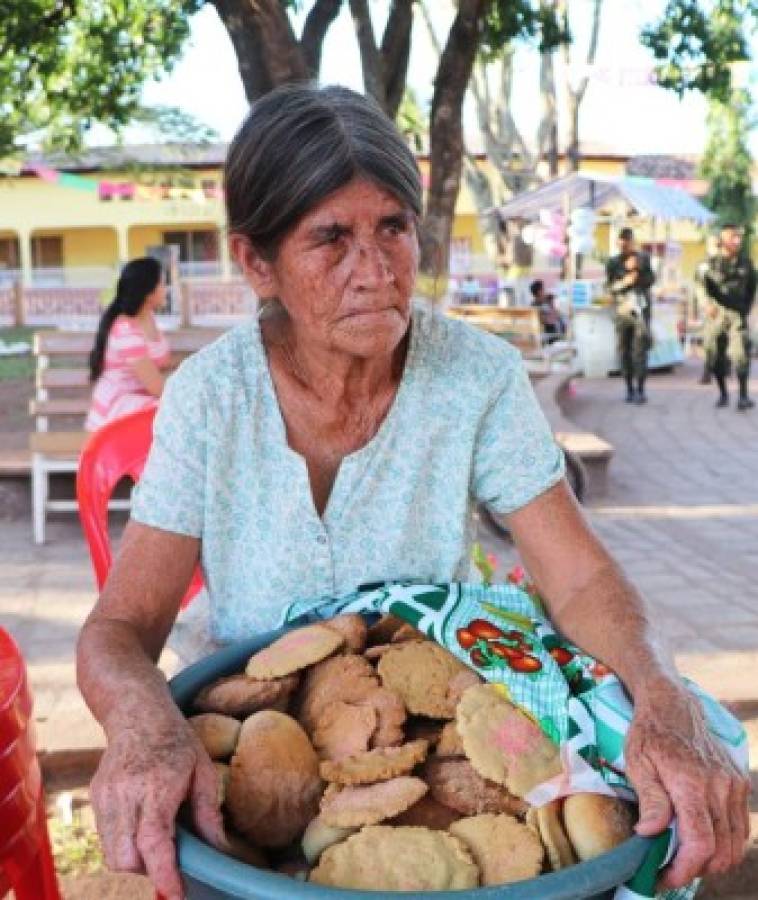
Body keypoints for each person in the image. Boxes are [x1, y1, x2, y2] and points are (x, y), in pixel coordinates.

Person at [76, 85, 749, 900]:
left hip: (438, 728)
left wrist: (660, 696)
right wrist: (144, 726)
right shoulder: (210, 397)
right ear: (257, 262)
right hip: (256, 742)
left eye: (393, 227)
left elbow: (578, 577)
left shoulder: (476, 376)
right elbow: (121, 627)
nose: (376, 271)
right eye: (331, 239)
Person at [85, 257, 170, 430]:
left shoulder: (148, 318)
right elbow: (157, 388)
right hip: (118, 412)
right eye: (162, 284)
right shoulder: (125, 330)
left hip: (142, 406)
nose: (165, 290)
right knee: (174, 415)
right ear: (148, 292)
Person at [703, 223, 756, 410]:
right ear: (722, 240)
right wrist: (706, 303)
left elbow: (752, 287)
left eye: (738, 237)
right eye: (733, 237)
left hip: (737, 315)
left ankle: (743, 396)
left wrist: (745, 309)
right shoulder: (710, 263)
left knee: (741, 354)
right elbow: (701, 285)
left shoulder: (746, 263)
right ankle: (723, 393)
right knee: (715, 356)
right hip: (716, 315)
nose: (737, 240)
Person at [606, 228, 656, 404]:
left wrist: (639, 272)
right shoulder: (613, 262)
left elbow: (651, 280)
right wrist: (624, 281)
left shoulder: (643, 258)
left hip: (641, 311)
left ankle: (640, 389)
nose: (624, 246)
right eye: (621, 242)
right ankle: (629, 388)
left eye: (627, 242)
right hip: (622, 311)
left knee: (640, 350)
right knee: (624, 350)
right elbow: (610, 287)